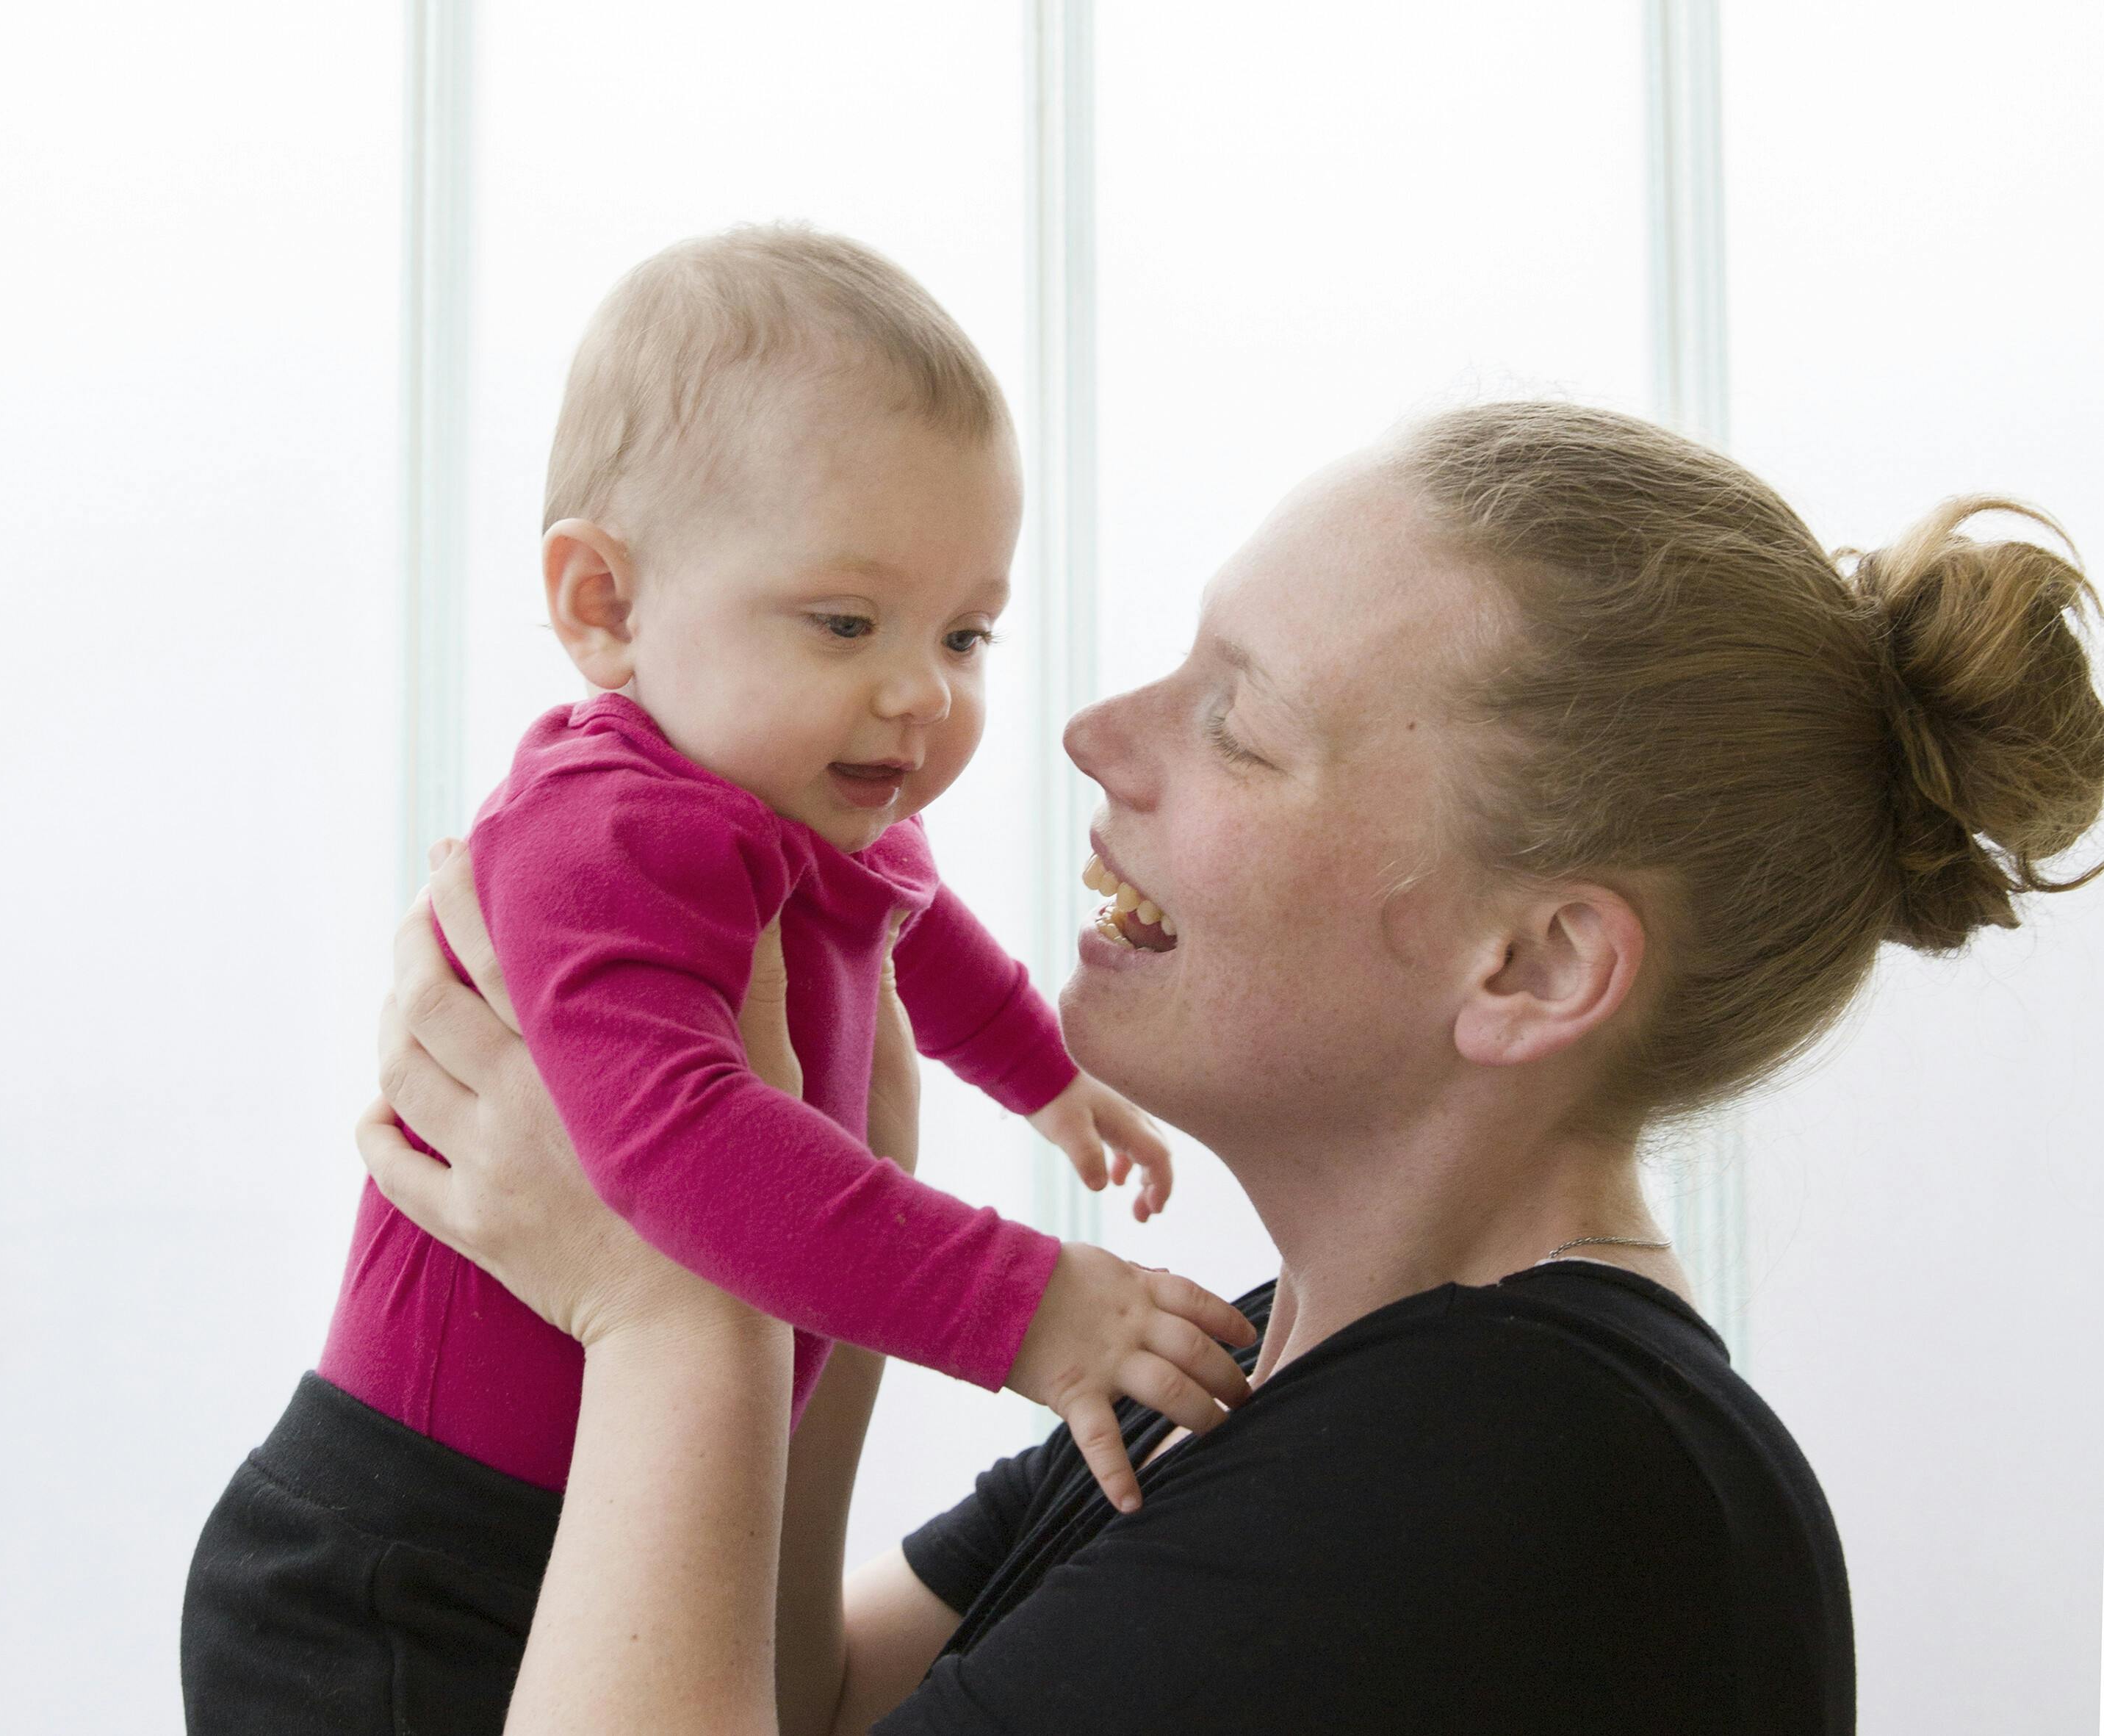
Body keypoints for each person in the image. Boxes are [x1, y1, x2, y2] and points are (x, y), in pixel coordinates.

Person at [362, 401, 2104, 1734]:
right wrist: (815, 1204)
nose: (1087, 736)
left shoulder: (1522, 1476)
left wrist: (678, 1312)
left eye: (1238, 725)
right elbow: (809, 1704)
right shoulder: (1249, 1379)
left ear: (1535, 964)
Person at [181, 226, 1253, 1736]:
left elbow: (916, 929)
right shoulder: (607, 828)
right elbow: (681, 1153)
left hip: (592, 1523)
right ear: (602, 604)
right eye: (844, 622)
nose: (919, 693)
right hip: (402, 1570)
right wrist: (1021, 1306)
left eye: (963, 632)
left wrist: (1047, 1078)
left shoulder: (808, 799)